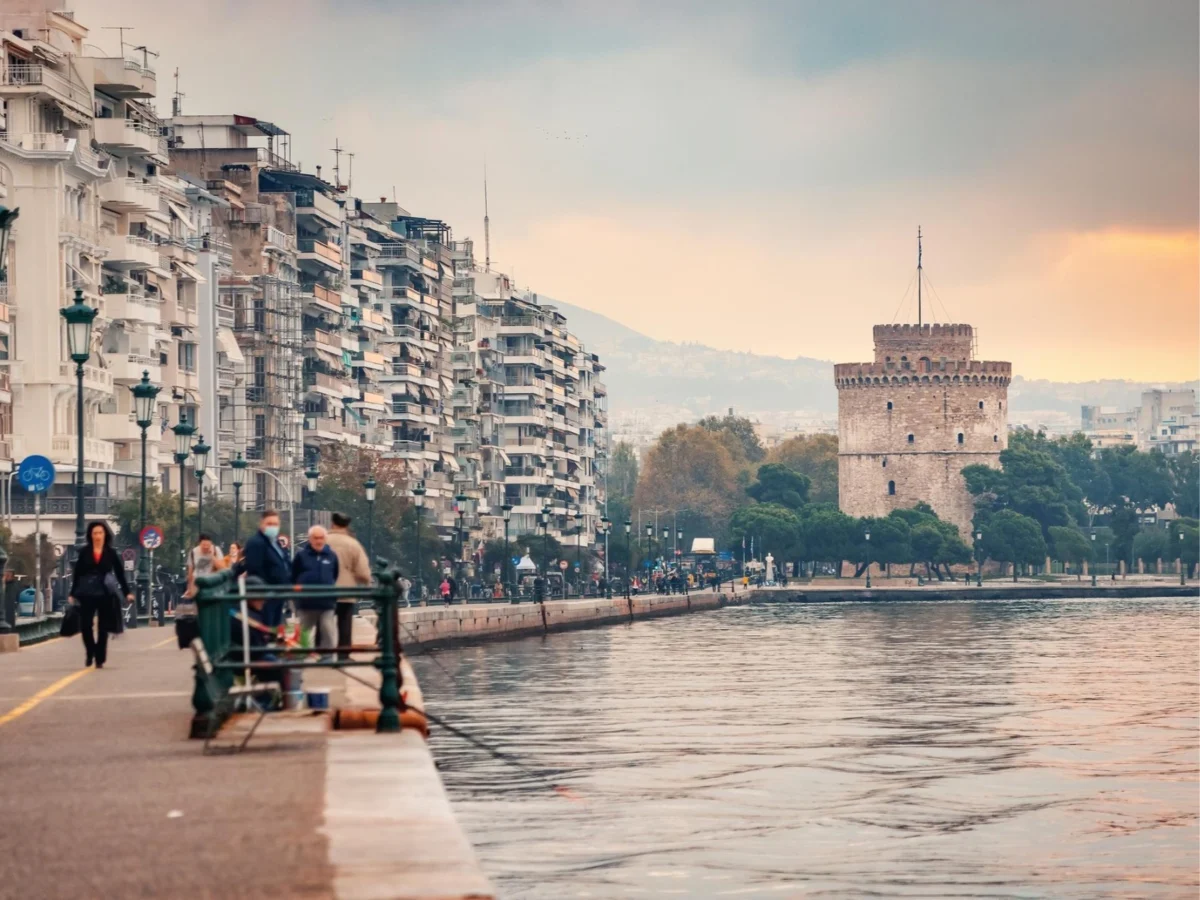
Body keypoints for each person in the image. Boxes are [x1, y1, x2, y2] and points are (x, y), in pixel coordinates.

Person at [69, 522, 133, 669]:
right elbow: (77, 574)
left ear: (105, 534)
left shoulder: (111, 553)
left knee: (103, 627)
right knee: (86, 625)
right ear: (90, 535)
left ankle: (100, 657)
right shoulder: (85, 552)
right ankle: (90, 651)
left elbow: (120, 574)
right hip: (86, 593)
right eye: (95, 533)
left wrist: (126, 592)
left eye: (100, 533)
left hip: (105, 592)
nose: (97, 536)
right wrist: (72, 593)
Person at [326, 512, 370, 659]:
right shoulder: (353, 544)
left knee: (324, 622)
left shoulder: (323, 540)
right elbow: (363, 571)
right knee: (345, 622)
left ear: (332, 524)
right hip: (346, 590)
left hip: (324, 590)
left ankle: (323, 654)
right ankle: (344, 655)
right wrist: (365, 582)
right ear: (347, 526)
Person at [238, 510, 292, 627]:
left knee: (275, 628)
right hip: (266, 595)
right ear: (261, 524)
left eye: (275, 524)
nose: (273, 527)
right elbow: (255, 568)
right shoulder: (256, 543)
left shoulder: (275, 542)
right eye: (269, 524)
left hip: (279, 593)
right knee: (266, 627)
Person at [291, 525, 339, 652]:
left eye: (321, 538)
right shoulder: (301, 556)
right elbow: (293, 574)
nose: (318, 541)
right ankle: (300, 654)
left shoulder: (332, 556)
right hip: (306, 602)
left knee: (327, 628)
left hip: (326, 602)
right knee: (304, 631)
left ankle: (327, 655)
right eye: (315, 538)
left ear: (325, 538)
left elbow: (335, 574)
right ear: (310, 539)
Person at [185, 533, 226, 599]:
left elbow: (223, 568)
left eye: (208, 545)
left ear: (211, 543)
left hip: (212, 584)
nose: (206, 547)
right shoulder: (193, 552)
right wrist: (189, 588)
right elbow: (190, 572)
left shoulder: (216, 550)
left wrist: (212, 556)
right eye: (203, 545)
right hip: (197, 585)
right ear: (199, 544)